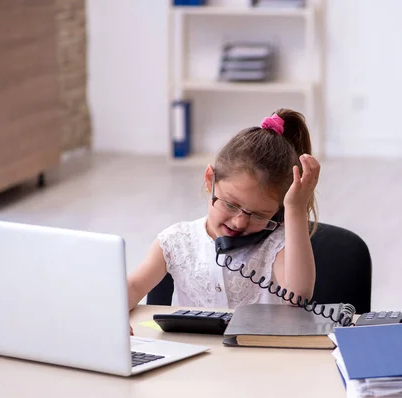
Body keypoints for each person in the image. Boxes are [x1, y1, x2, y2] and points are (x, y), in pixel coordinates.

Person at [127, 108, 320, 322]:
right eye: (230, 204)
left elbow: (298, 296)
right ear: (210, 180)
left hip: (261, 353)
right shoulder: (177, 240)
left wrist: (295, 209)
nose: (239, 222)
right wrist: (111, 320)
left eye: (258, 215)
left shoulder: (277, 244)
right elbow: (134, 286)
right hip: (192, 351)